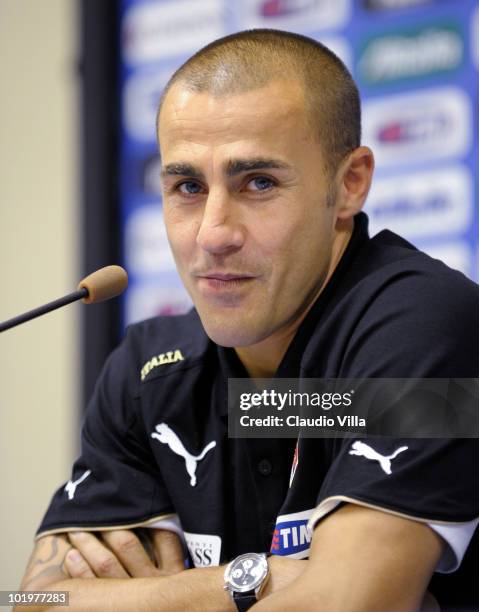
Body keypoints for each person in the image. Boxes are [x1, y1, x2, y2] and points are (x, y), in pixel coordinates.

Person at [18, 29, 479, 611]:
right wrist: (251, 579)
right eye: (187, 186)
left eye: (258, 183)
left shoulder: (425, 324)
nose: (213, 235)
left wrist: (147, 598)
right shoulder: (148, 369)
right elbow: (34, 600)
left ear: (349, 184)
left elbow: (348, 605)